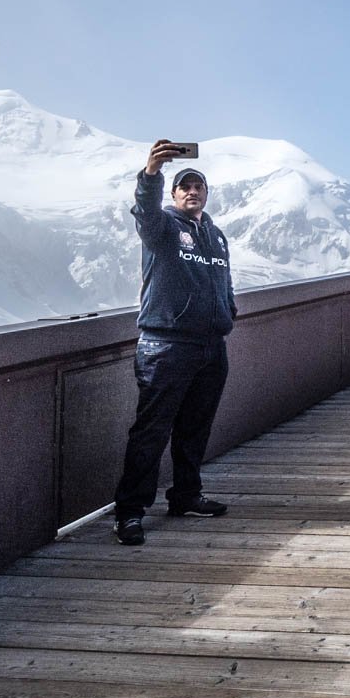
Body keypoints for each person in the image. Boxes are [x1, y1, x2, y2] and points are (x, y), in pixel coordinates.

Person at [113, 140, 237, 546]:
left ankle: (185, 496)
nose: (191, 191)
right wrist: (151, 174)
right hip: (166, 347)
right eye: (184, 186)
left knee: (194, 431)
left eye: (197, 186)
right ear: (173, 193)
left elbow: (224, 284)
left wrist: (227, 313)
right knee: (151, 433)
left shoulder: (215, 236)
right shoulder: (162, 228)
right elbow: (145, 213)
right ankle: (130, 514)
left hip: (209, 348)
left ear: (206, 194)